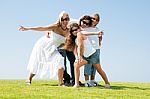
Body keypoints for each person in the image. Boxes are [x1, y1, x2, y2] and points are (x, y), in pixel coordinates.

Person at [19, 11, 70, 86]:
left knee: (60, 60)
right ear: (60, 19)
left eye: (67, 19)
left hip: (53, 48)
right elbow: (42, 28)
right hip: (43, 46)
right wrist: (28, 28)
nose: (65, 21)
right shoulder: (55, 26)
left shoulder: (68, 30)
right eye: (63, 19)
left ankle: (61, 83)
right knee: (38, 61)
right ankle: (29, 79)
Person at [64, 23, 110, 88]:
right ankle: (76, 84)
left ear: (79, 29)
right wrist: (77, 58)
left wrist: (97, 33)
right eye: (73, 30)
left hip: (93, 55)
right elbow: (75, 50)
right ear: (71, 32)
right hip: (86, 56)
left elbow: (81, 45)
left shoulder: (80, 34)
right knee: (76, 65)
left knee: (99, 69)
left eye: (77, 29)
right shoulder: (74, 39)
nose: (76, 31)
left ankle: (107, 83)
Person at [83, 13, 102, 87]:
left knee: (95, 66)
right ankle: (87, 81)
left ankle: (92, 80)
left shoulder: (98, 29)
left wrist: (100, 39)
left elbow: (99, 38)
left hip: (97, 49)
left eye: (97, 20)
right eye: (93, 18)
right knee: (88, 64)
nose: (95, 20)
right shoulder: (85, 28)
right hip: (88, 49)